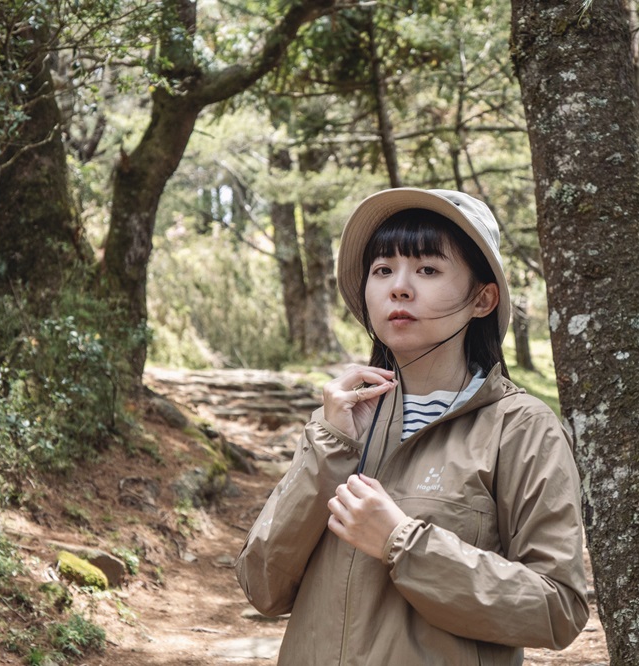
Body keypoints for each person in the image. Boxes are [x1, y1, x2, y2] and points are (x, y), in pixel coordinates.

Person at [236, 188, 590, 665]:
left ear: (483, 299)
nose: (399, 288)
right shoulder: (343, 423)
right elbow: (262, 588)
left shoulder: (520, 428)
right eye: (383, 270)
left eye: (427, 270)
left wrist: (403, 542)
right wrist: (330, 447)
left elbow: (557, 609)